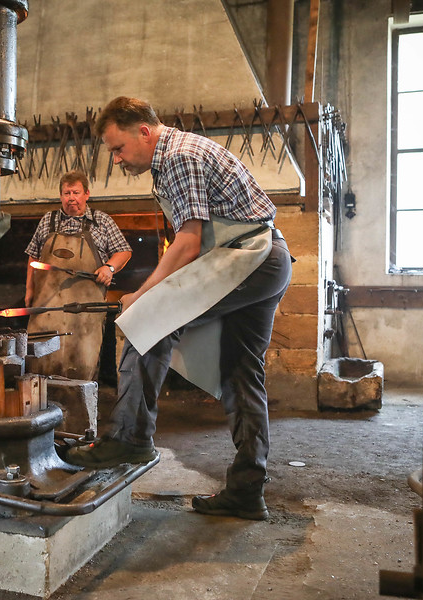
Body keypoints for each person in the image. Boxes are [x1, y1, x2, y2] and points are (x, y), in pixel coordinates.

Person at [65, 97, 292, 521]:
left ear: (143, 132)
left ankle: (130, 438)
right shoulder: (176, 155)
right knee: (241, 373)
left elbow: (188, 243)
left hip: (248, 257)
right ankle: (247, 489)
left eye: (118, 148)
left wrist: (143, 295)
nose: (117, 160)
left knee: (145, 321)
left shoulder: (178, 156)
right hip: (267, 257)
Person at [24, 170, 132, 380]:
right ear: (61, 196)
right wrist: (29, 290)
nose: (71, 198)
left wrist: (109, 268)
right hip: (47, 309)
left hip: (86, 313)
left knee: (82, 367)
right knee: (40, 367)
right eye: (67, 193)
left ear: (86, 194)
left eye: (76, 192)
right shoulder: (48, 220)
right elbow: (33, 256)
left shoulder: (102, 221)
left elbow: (124, 251)